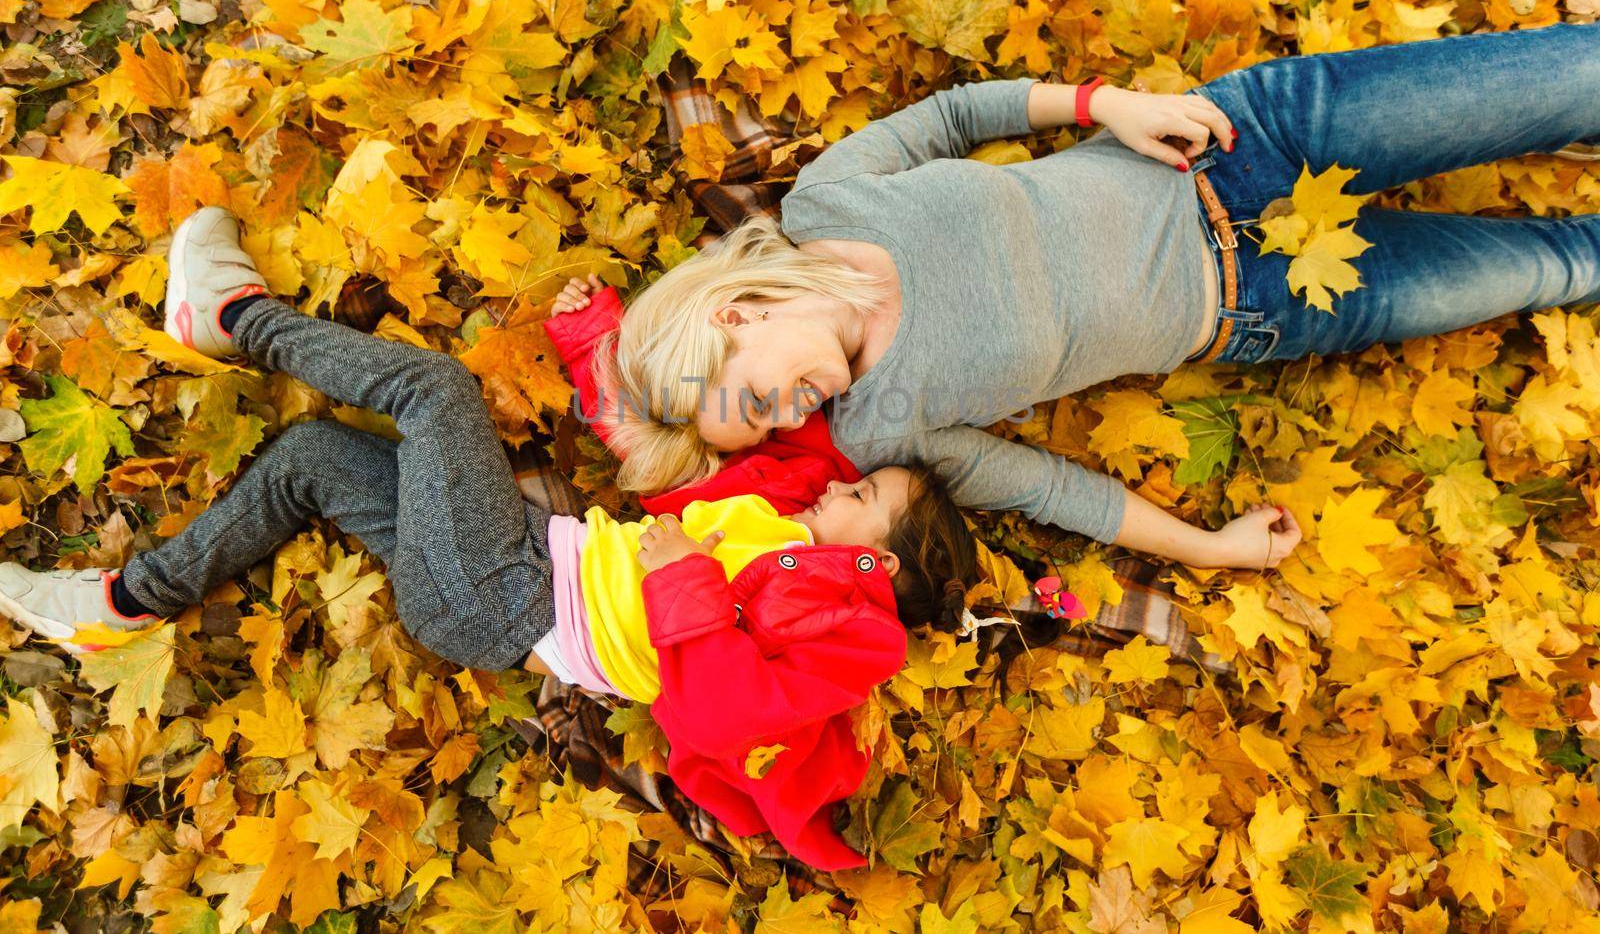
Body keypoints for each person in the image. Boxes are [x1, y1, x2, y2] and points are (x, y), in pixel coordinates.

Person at [0, 207, 979, 869]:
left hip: (501, 594)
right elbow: (675, 438)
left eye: (861, 490)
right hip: (515, 551)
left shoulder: (852, 633)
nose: (837, 478)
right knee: (310, 456)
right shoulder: (778, 502)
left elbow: (724, 717)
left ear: (876, 557)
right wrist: (598, 336)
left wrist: (685, 584)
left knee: (436, 391)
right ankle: (127, 604)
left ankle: (231, 317)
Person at [599, 21, 1600, 571]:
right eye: (767, 428)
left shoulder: (829, 200)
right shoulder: (879, 428)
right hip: (1266, 301)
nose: (791, 415)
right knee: (1561, 265)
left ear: (735, 314)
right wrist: (1207, 548)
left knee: (1576, 73)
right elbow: (1046, 487)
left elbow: (952, 115)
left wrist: (1101, 104)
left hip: (1242, 136)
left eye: (757, 397)